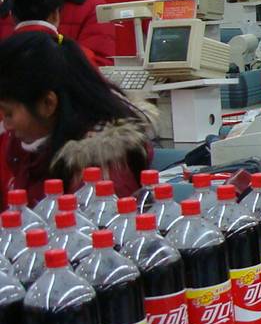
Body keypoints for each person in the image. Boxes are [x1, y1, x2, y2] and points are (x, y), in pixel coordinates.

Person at [0, 30, 154, 201]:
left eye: (8, 114)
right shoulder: (28, 146)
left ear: (48, 103)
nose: (6, 125)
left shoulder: (101, 174)